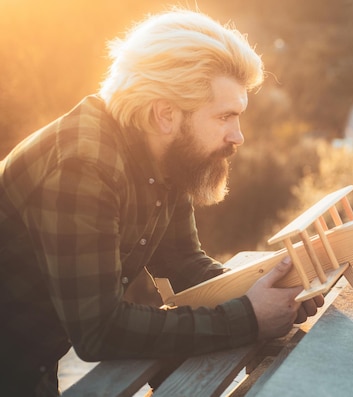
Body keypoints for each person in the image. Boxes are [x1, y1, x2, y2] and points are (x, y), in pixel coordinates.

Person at [0, 8, 323, 396]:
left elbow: (183, 262)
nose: (238, 136)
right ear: (165, 113)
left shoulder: (162, 157)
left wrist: (277, 287)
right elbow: (100, 330)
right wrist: (249, 318)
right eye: (225, 116)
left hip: (28, 361)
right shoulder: (82, 167)